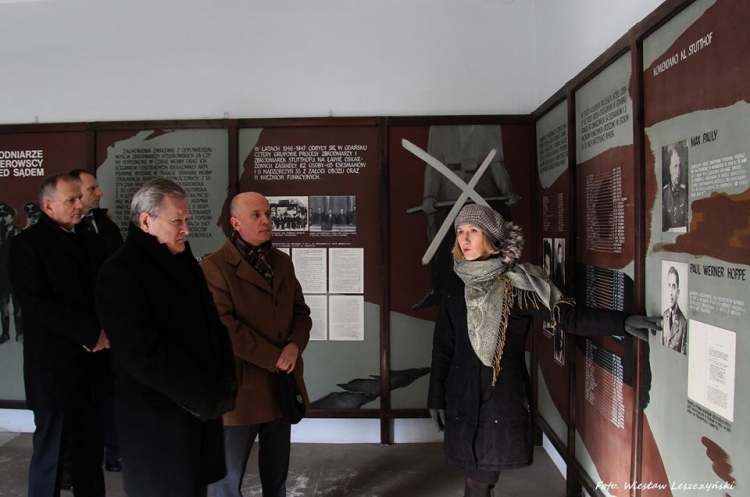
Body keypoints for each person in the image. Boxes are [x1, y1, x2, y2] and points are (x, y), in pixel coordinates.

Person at [427, 204, 661, 497]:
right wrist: (436, 395)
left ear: (491, 237)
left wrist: (623, 322)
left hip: (497, 399)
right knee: (476, 481)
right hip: (461, 396)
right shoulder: (454, 281)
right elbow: (443, 343)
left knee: (478, 482)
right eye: (461, 232)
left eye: (473, 231)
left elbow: (568, 317)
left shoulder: (518, 284)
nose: (465, 239)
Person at [95, 177, 237, 497]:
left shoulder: (182, 259)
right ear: (147, 221)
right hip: (159, 421)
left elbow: (213, 326)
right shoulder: (120, 272)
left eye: (186, 220)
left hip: (197, 411)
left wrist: (227, 380)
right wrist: (204, 395)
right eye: (177, 220)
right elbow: (143, 354)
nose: (186, 228)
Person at [201, 192, 312, 497]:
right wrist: (274, 357)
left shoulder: (282, 262)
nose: (266, 220)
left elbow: (301, 313)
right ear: (235, 223)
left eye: (267, 214)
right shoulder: (214, 267)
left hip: (282, 385)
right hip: (241, 390)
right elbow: (225, 327)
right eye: (256, 215)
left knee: (276, 476)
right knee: (229, 478)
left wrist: (293, 347)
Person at [9, 174, 111, 497]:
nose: (80, 205)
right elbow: (36, 303)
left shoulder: (89, 238)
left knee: (90, 455)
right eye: (71, 200)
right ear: (48, 205)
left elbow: (104, 290)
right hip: (53, 368)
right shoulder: (27, 245)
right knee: (51, 453)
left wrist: (107, 330)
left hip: (92, 368)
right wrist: (89, 332)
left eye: (79, 198)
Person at [57, 169, 124, 486]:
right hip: (79, 338)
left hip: (109, 330)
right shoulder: (63, 236)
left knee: (108, 395)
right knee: (74, 404)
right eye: (91, 188)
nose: (98, 193)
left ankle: (114, 453)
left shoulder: (106, 227)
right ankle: (70, 465)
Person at [414, 125, 521, 310]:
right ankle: (439, 292)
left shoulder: (490, 125)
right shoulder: (439, 128)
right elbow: (433, 163)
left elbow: (496, 162)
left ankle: (497, 289)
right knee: (442, 245)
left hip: (484, 192)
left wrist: (507, 190)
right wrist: (429, 196)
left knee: (490, 244)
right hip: (448, 195)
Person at [0, 203, 23, 344]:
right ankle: (6, 333)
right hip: (1, 277)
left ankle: (20, 334)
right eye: (0, 215)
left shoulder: (20, 233)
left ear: (11, 216)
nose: (2, 218)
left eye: (5, 215)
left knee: (18, 307)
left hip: (17, 276)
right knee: (3, 307)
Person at [662, 144, 688, 231]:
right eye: (675, 166)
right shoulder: (664, 194)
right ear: (670, 169)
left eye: (679, 166)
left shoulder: (685, 193)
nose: (678, 172)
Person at [662, 266, 687, 354]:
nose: (671, 292)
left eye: (673, 286)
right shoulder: (664, 316)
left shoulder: (683, 323)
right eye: (669, 285)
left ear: (678, 292)